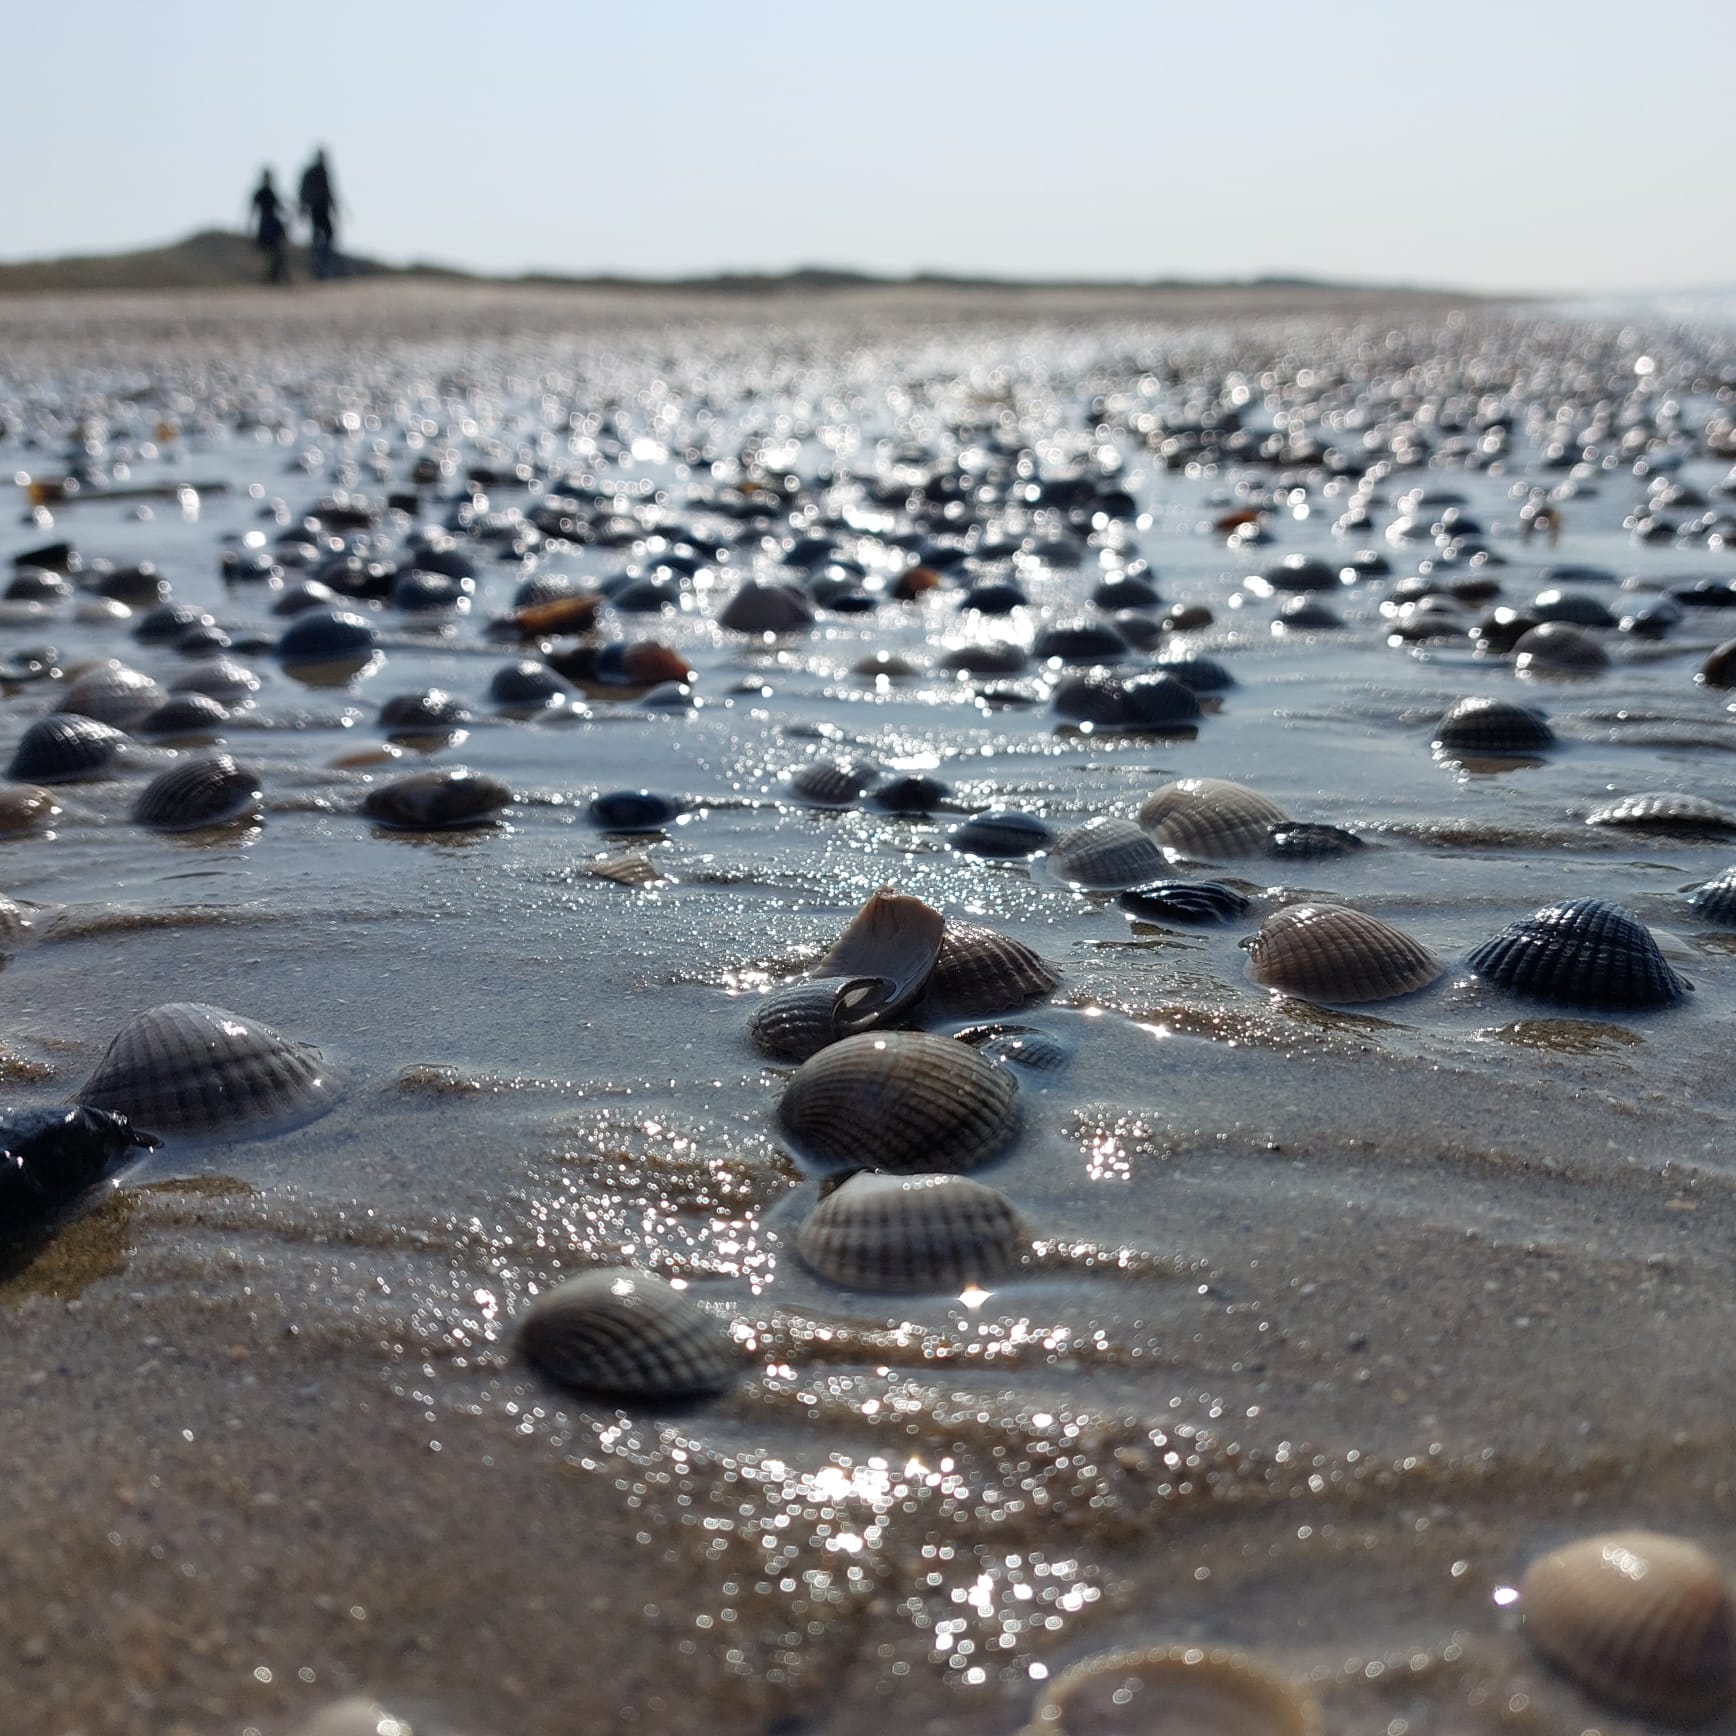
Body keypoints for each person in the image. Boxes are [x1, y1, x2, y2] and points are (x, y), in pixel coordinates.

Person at [298, 148, 340, 280]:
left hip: (322, 209)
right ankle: (318, 264)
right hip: (317, 209)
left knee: (326, 235)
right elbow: (305, 191)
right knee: (320, 236)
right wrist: (303, 207)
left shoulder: (322, 171)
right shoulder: (314, 172)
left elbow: (328, 191)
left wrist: (334, 206)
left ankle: (322, 263)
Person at [249, 168, 290, 284]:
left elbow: (279, 207)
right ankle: (272, 277)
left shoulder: (271, 192)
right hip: (266, 225)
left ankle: (275, 277)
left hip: (273, 224)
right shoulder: (261, 193)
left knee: (278, 252)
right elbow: (253, 210)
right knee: (273, 253)